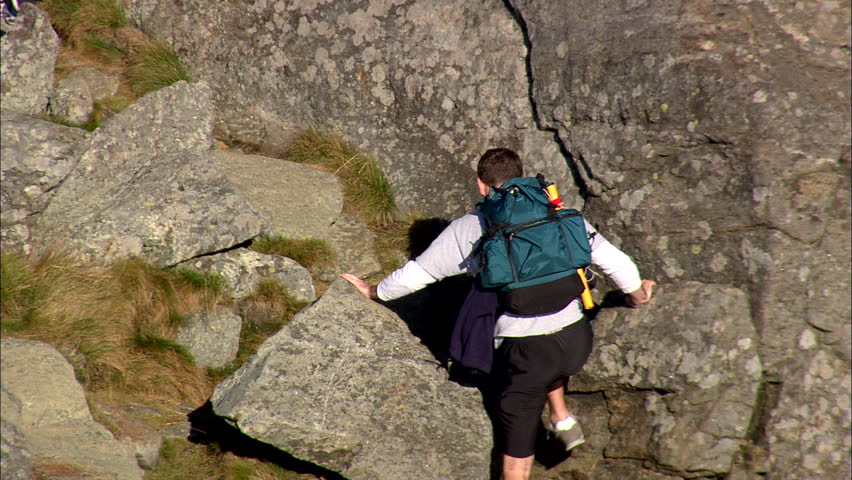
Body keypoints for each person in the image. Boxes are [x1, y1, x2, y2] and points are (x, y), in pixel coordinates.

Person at [341, 147, 655, 480]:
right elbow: (615, 262)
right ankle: (562, 416)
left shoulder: (470, 228)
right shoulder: (556, 213)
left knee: (517, 456)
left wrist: (373, 291)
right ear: (522, 175)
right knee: (545, 352)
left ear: (481, 185)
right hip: (576, 341)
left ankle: (555, 417)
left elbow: (419, 274)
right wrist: (636, 297)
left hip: (525, 355)